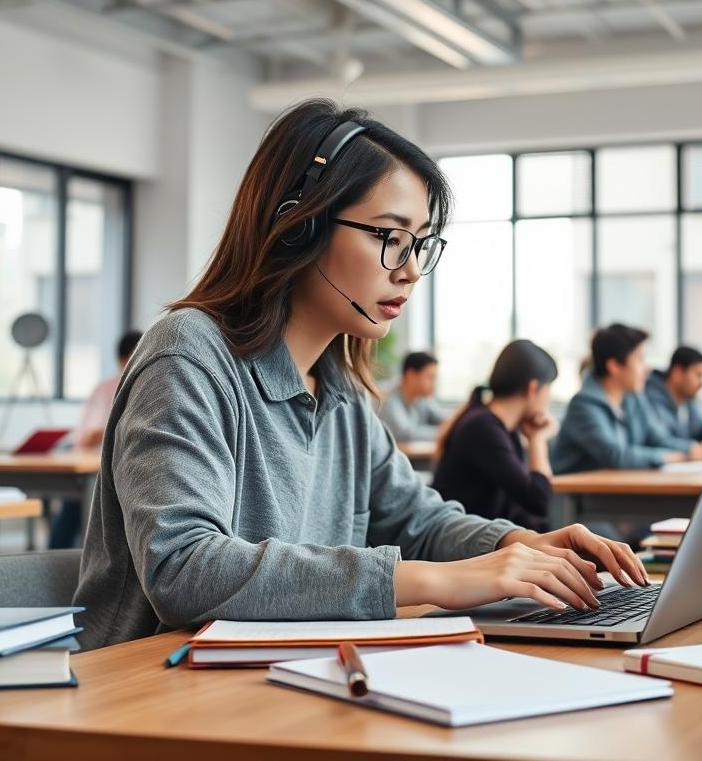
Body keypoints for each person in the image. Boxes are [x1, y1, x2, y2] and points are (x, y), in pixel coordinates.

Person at [72, 100, 647, 650]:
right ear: (300, 226)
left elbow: (415, 521)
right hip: (156, 689)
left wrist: (517, 545)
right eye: (391, 238)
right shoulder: (189, 355)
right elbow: (184, 569)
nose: (412, 270)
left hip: (290, 672)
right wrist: (437, 582)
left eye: (420, 243)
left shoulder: (340, 387)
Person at [551, 324, 702, 474]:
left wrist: (693, 450)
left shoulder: (633, 398)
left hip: (611, 493)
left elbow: (657, 438)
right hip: (576, 501)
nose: (646, 369)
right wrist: (677, 457)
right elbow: (615, 456)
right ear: (615, 366)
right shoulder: (583, 406)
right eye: (639, 360)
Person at [432, 340, 559, 531]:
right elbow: (538, 501)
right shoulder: (483, 428)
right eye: (549, 388)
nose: (549, 398)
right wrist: (538, 440)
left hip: (485, 538)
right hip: (465, 546)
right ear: (533, 388)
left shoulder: (496, 424)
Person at [48, 330, 142, 549]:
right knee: (75, 510)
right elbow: (86, 436)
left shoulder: (150, 386)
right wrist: (120, 427)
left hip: (125, 469)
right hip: (95, 468)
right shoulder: (106, 389)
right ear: (123, 359)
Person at [644, 346, 702, 442]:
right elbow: (662, 441)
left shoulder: (687, 399)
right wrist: (694, 449)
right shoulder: (650, 398)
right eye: (698, 375)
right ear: (677, 373)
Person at [377, 351, 447, 442]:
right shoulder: (385, 395)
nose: (434, 384)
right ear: (411, 375)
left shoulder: (421, 397)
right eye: (430, 377)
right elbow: (404, 434)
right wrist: (446, 432)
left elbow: (443, 418)